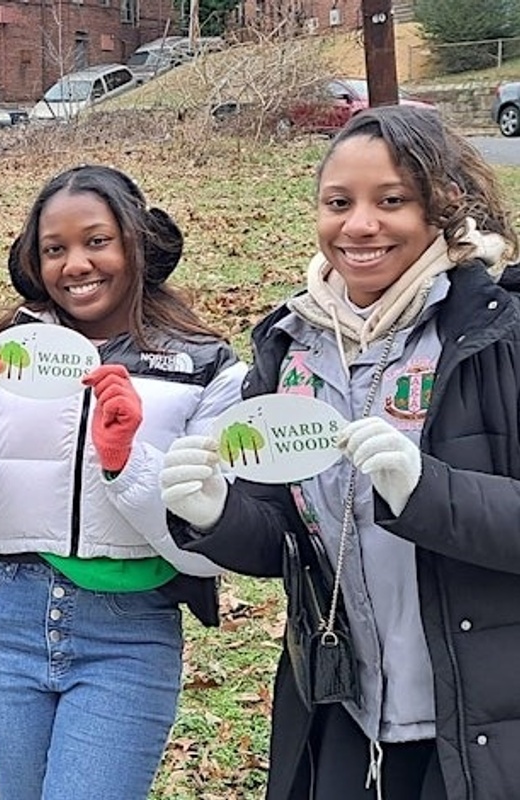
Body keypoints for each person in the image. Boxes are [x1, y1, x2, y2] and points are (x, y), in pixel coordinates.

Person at [161, 106, 520, 800]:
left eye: (392, 201)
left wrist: (426, 492)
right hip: (345, 711)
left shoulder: (498, 333)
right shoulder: (292, 344)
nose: (359, 225)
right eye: (338, 203)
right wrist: (213, 514)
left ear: (444, 208)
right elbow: (281, 540)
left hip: (485, 724)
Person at [0, 164, 245, 799]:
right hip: (2, 616)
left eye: (97, 241)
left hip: (128, 627)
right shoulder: (6, 357)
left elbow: (204, 553)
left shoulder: (207, 369)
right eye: (54, 249)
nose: (76, 265)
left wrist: (125, 462)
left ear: (135, 244)